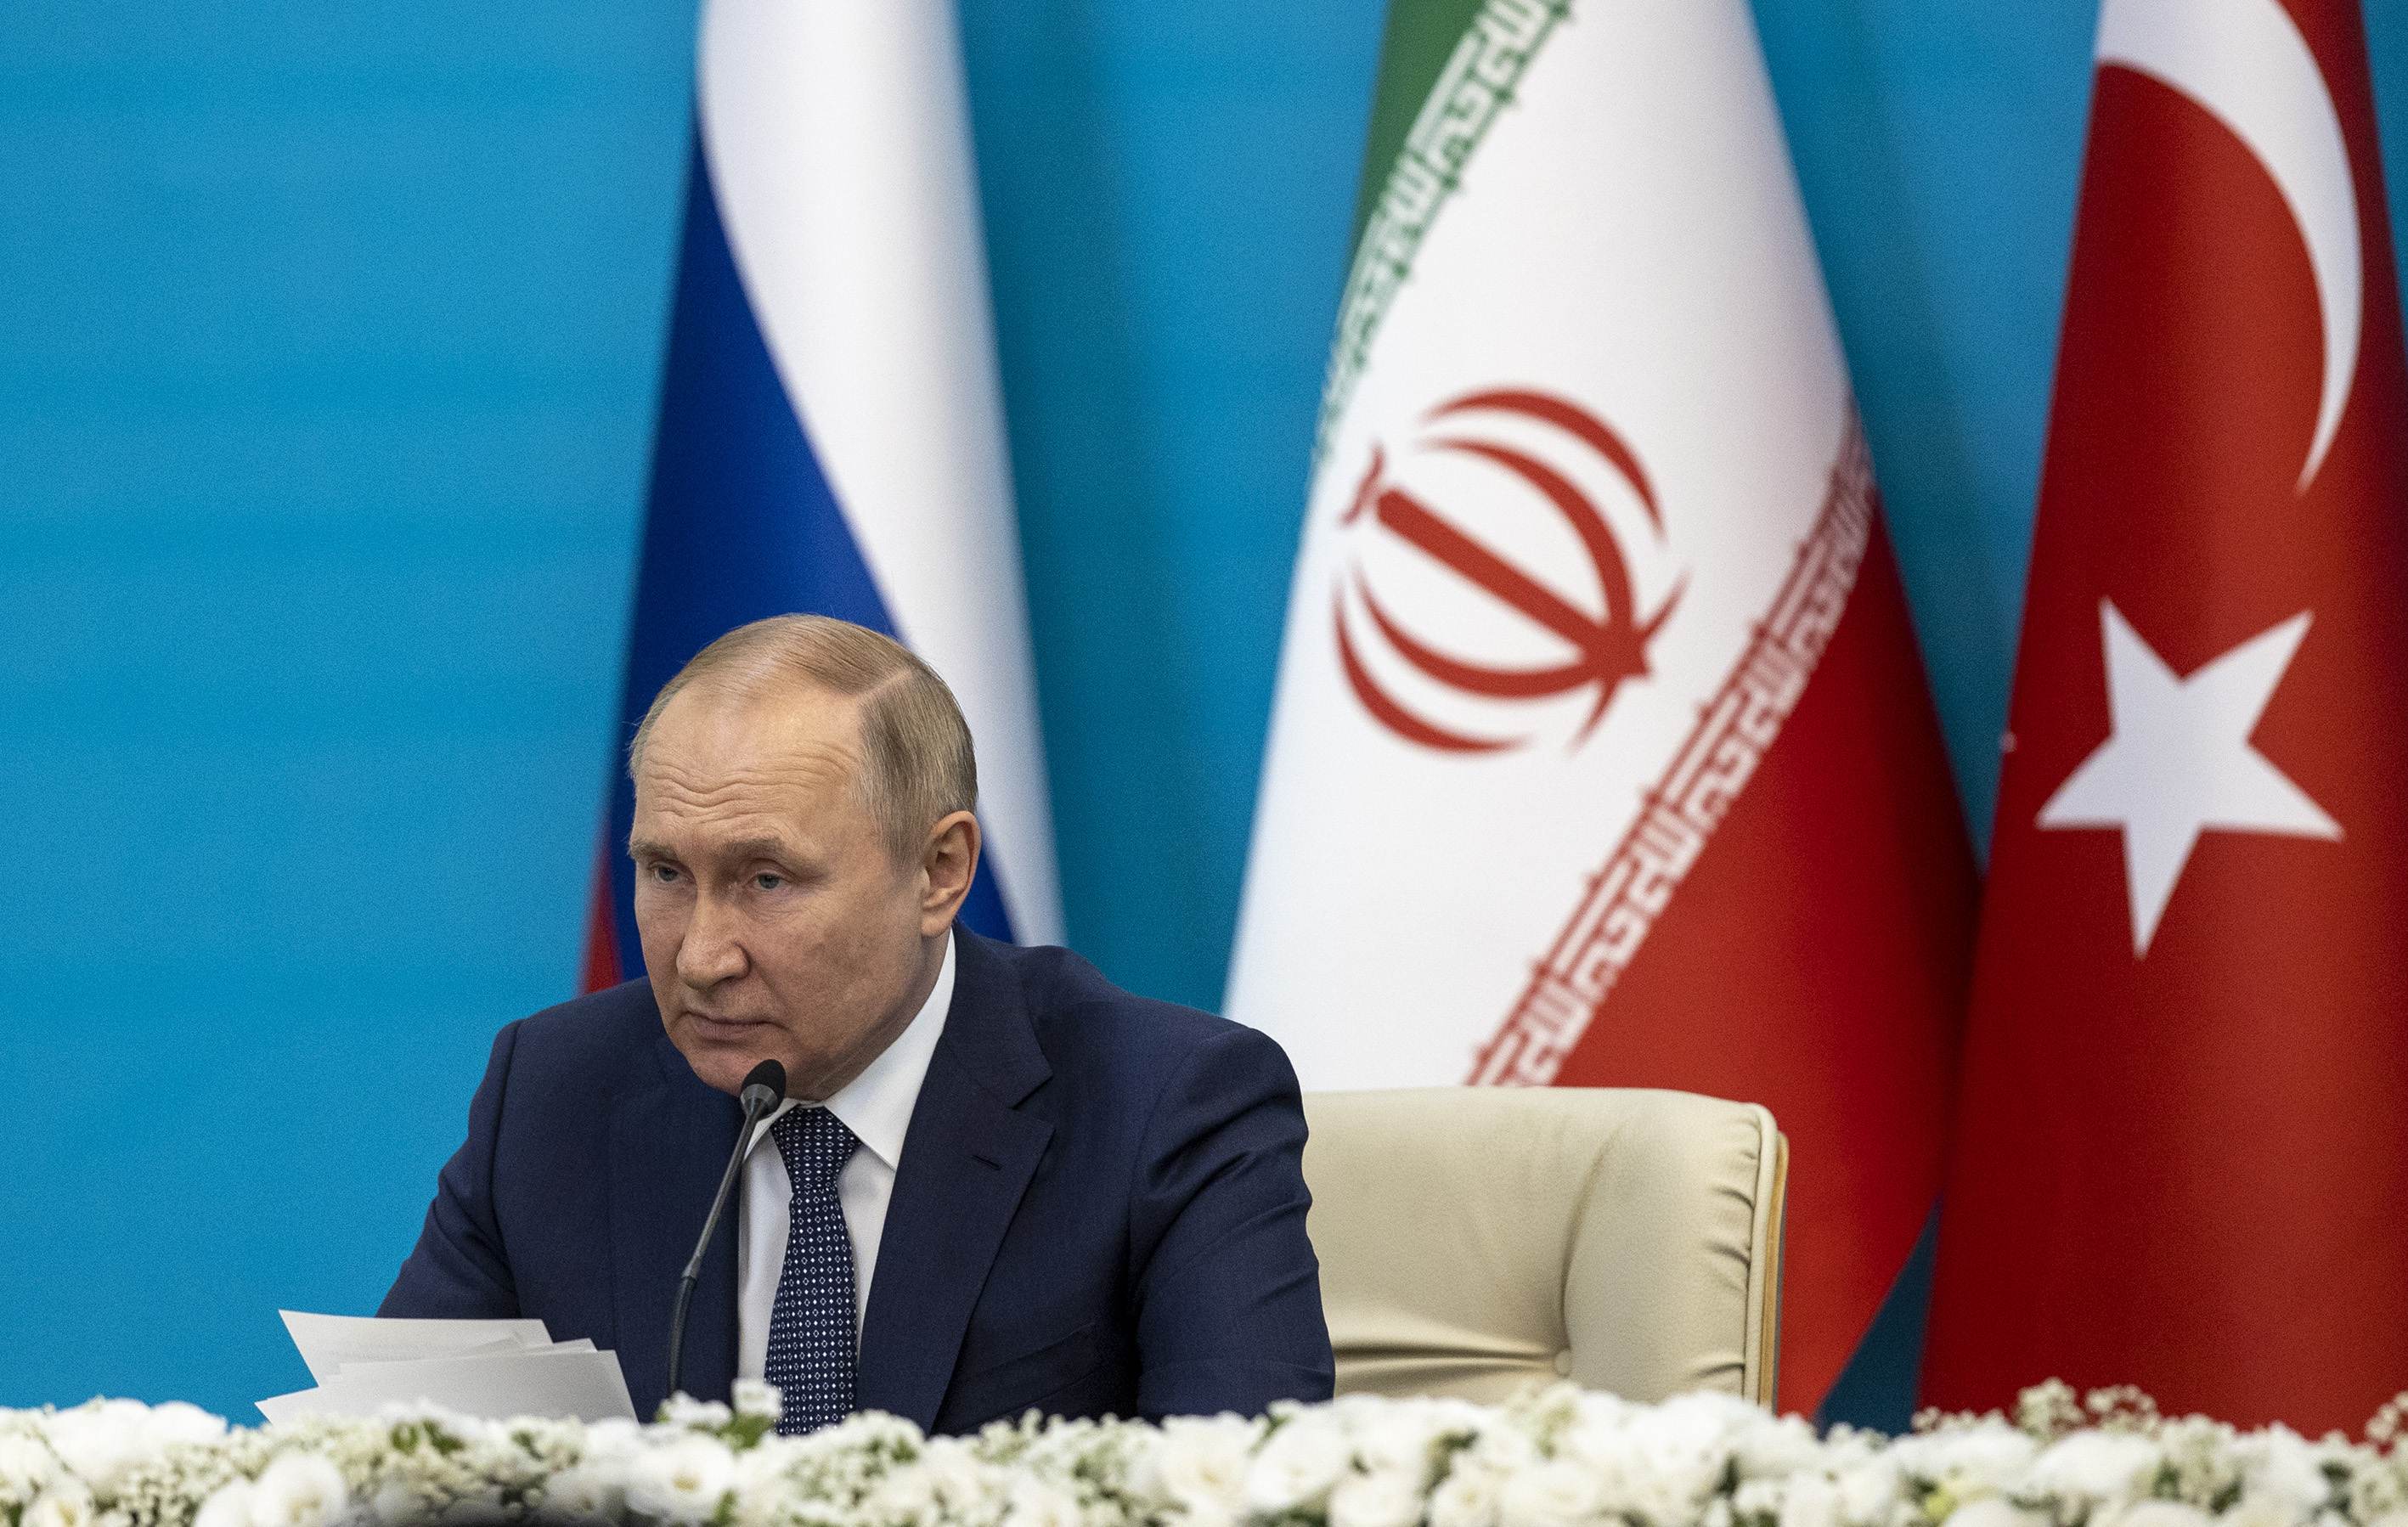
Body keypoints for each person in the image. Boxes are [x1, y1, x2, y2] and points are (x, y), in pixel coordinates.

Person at [381, 615, 1334, 1431]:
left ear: (940, 872)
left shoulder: (1166, 1107)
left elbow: (1247, 1491)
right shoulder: (556, 1091)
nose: (703, 955)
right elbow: (391, 1468)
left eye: (767, 879)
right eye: (667, 873)